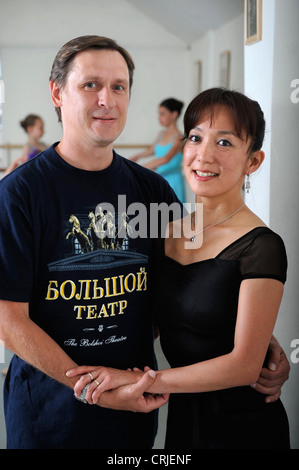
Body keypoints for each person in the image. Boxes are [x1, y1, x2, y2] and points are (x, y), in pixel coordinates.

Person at [0, 34, 289, 449]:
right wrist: (94, 389)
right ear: (57, 93)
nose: (107, 99)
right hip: (52, 416)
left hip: (135, 417)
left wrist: (260, 343)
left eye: (119, 86)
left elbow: (198, 279)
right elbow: (8, 319)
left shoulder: (152, 192)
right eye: (90, 85)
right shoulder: (20, 194)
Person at [68, 88, 291, 449]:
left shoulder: (260, 245)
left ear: (253, 161)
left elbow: (245, 366)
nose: (204, 155)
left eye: (225, 143)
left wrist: (140, 381)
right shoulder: (166, 232)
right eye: (195, 138)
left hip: (243, 426)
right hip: (183, 421)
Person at [131, 98, 186, 202]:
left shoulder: (179, 138)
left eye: (162, 114)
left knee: (175, 216)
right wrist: (136, 157)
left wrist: (140, 168)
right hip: (160, 179)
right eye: (159, 114)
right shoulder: (161, 134)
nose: (159, 118)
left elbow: (166, 159)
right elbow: (152, 150)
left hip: (173, 181)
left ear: (174, 114)